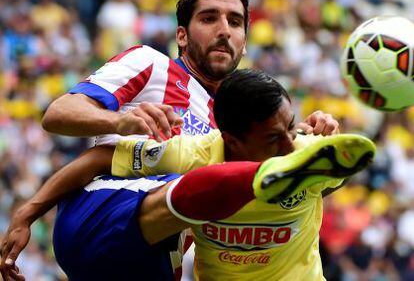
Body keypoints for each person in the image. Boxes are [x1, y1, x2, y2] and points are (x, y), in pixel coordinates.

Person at [1, 70, 375, 280]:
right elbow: (101, 157)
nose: (290, 147)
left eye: (291, 130)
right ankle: (240, 182)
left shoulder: (311, 151)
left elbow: (344, 164)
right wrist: (26, 214)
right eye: (274, 140)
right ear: (231, 140)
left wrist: (321, 143)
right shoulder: (192, 152)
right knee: (163, 193)